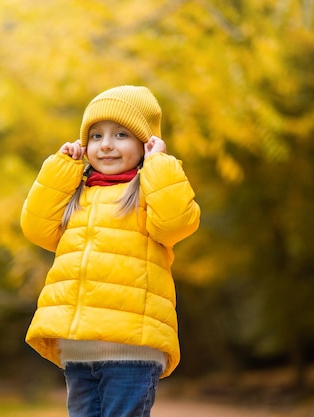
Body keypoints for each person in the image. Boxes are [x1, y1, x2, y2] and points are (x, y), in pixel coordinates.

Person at [20, 85, 201, 417]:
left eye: (121, 135)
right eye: (95, 135)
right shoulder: (77, 196)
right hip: (78, 348)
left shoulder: (150, 195)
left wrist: (159, 164)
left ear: (145, 143)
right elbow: (36, 227)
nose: (105, 145)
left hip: (132, 348)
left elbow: (177, 223)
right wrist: (62, 169)